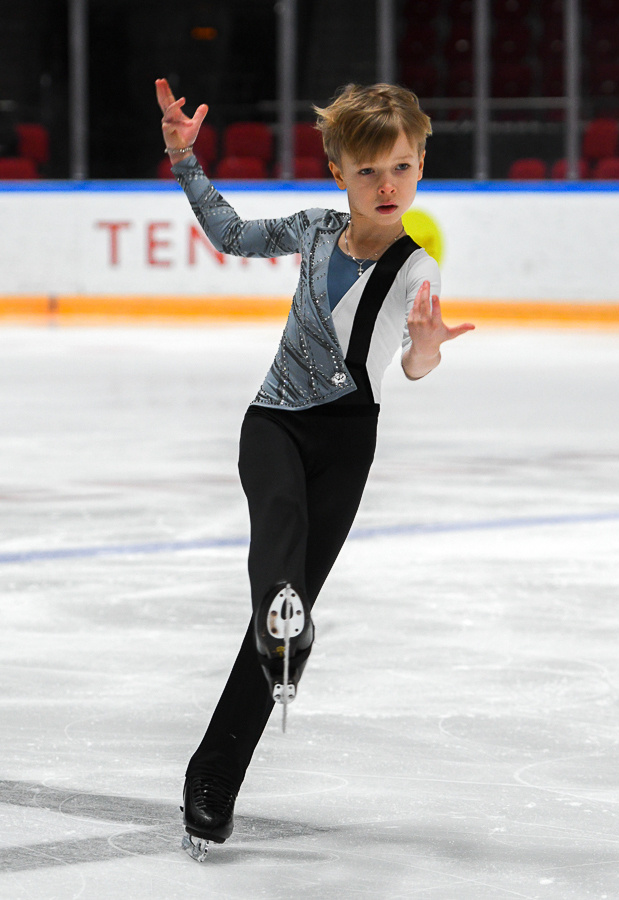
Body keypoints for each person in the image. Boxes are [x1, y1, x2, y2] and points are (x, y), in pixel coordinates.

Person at [155, 77, 474, 861]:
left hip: (345, 444)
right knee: (279, 547)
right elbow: (231, 234)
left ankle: (213, 780)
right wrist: (185, 160)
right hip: (272, 423)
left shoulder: (413, 266)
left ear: (421, 163)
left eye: (400, 166)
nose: (386, 185)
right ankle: (278, 614)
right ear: (339, 172)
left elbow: (412, 358)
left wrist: (425, 352)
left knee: (277, 633)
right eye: (368, 171)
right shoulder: (313, 227)